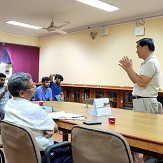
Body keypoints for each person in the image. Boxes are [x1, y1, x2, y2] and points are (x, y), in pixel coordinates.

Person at [4, 72, 72, 163]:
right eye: (32, 86)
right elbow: (55, 128)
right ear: (22, 93)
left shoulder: (8, 105)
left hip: (19, 151)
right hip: (42, 154)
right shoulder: (34, 109)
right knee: (75, 152)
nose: (35, 87)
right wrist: (48, 128)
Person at [119, 38, 161, 162]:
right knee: (139, 135)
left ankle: (149, 161)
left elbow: (141, 82)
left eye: (138, 48)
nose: (136, 51)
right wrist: (128, 69)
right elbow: (137, 81)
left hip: (146, 102)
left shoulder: (151, 63)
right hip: (141, 101)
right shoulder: (147, 62)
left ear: (145, 47)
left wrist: (129, 68)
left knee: (147, 137)